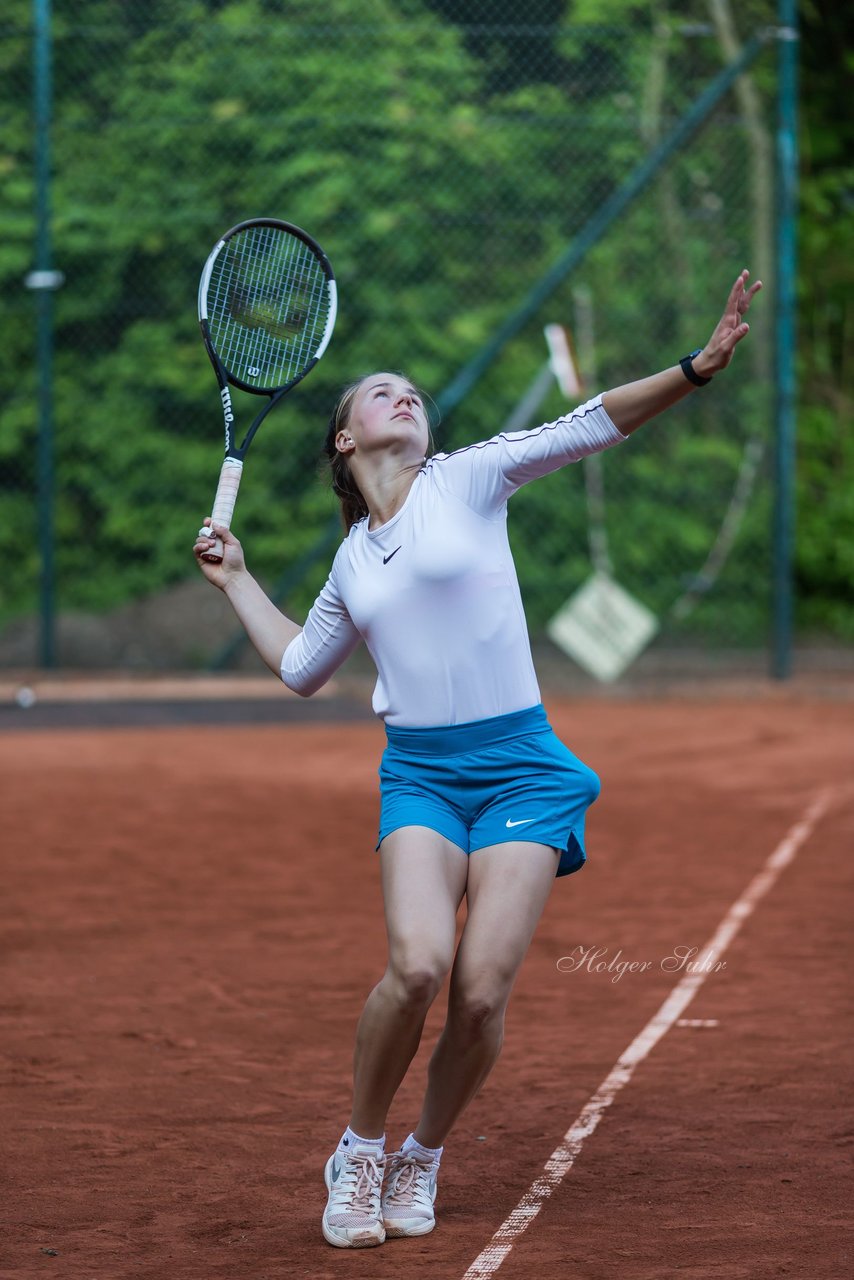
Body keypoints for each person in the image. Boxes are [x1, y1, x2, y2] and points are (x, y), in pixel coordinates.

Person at [194, 269, 761, 1249]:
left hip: (523, 767)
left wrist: (692, 370)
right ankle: (358, 1149)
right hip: (418, 770)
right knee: (416, 966)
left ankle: (420, 1152)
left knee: (480, 989)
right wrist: (237, 579)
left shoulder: (467, 475)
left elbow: (585, 422)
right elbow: (299, 667)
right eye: (379, 391)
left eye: (411, 390)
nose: (402, 396)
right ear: (344, 437)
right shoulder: (346, 562)